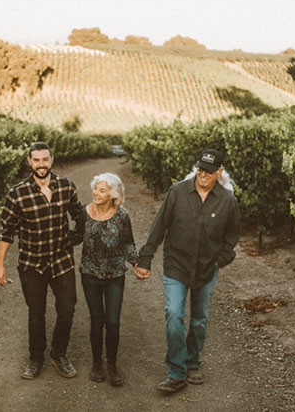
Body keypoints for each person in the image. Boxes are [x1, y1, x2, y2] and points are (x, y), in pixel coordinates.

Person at [135, 148, 241, 394]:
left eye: (209, 171)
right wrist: (146, 258)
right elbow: (159, 226)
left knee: (200, 319)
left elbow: (233, 234)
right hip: (177, 265)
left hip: (207, 267)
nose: (203, 174)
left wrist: (220, 260)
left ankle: (192, 361)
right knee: (174, 313)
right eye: (200, 169)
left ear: (220, 172)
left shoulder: (227, 200)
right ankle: (176, 370)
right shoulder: (177, 192)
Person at [0, 142, 84, 380]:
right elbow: (6, 231)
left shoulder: (66, 187)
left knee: (67, 308)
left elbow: (80, 215)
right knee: (36, 313)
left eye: (45, 159)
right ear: (29, 162)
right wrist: (0, 264)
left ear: (52, 160)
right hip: (31, 263)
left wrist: (75, 238)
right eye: (37, 160)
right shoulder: (17, 194)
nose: (41, 164)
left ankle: (58, 353)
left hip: (61, 260)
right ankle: (36, 358)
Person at [79, 173, 138, 386]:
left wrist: (137, 263)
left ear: (112, 194)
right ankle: (97, 363)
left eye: (102, 190)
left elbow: (128, 244)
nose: (96, 193)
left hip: (114, 275)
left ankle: (112, 364)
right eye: (95, 188)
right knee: (97, 320)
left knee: (112, 321)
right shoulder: (83, 212)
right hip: (89, 274)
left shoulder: (122, 215)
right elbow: (75, 237)